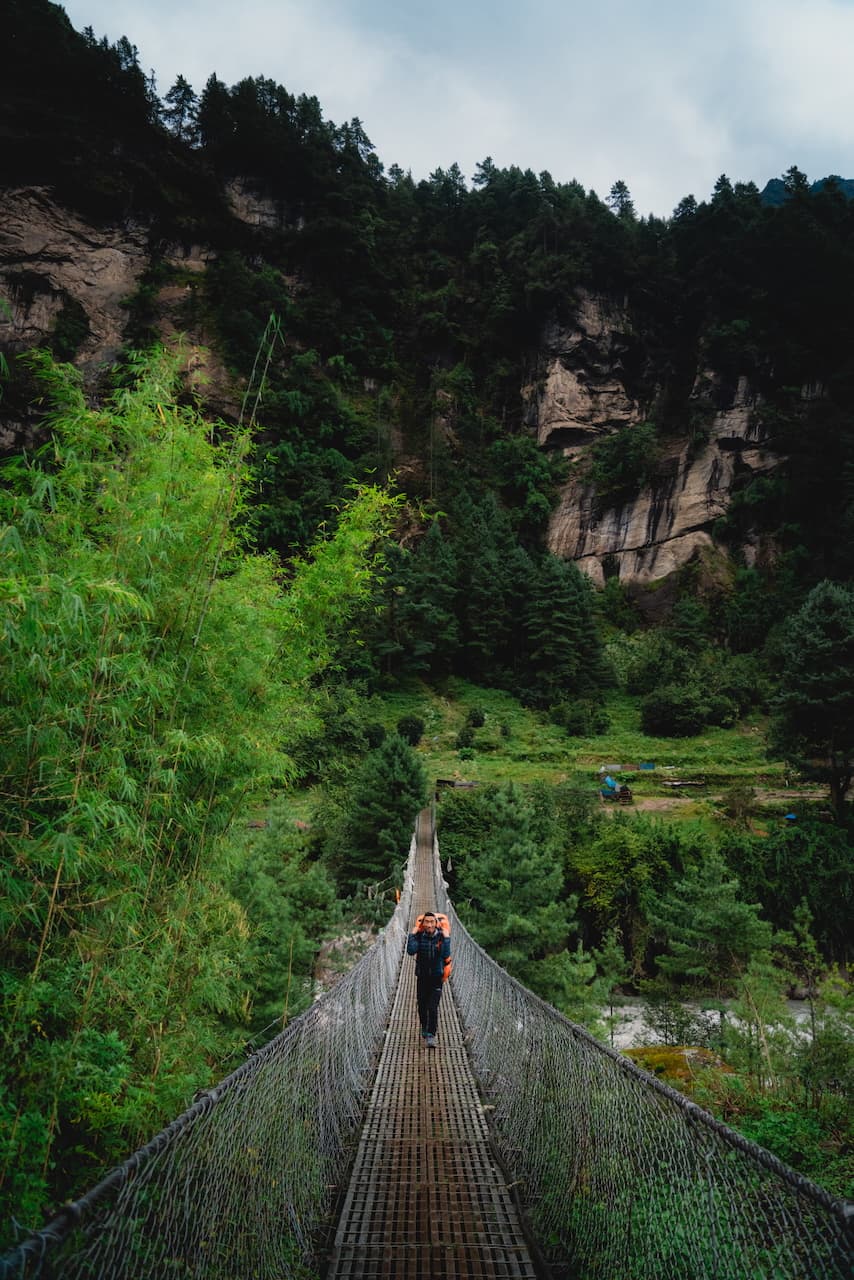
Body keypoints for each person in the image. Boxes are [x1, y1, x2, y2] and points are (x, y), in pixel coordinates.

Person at [406, 911, 450, 1048]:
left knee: (432, 1007)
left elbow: (445, 954)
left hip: (437, 977)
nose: (429, 925)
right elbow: (411, 951)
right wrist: (412, 934)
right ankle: (424, 1027)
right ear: (423, 924)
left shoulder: (442, 937)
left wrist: (447, 939)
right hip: (422, 977)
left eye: (432, 922)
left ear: (436, 924)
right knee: (422, 1006)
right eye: (427, 922)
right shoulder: (419, 936)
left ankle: (431, 1035)